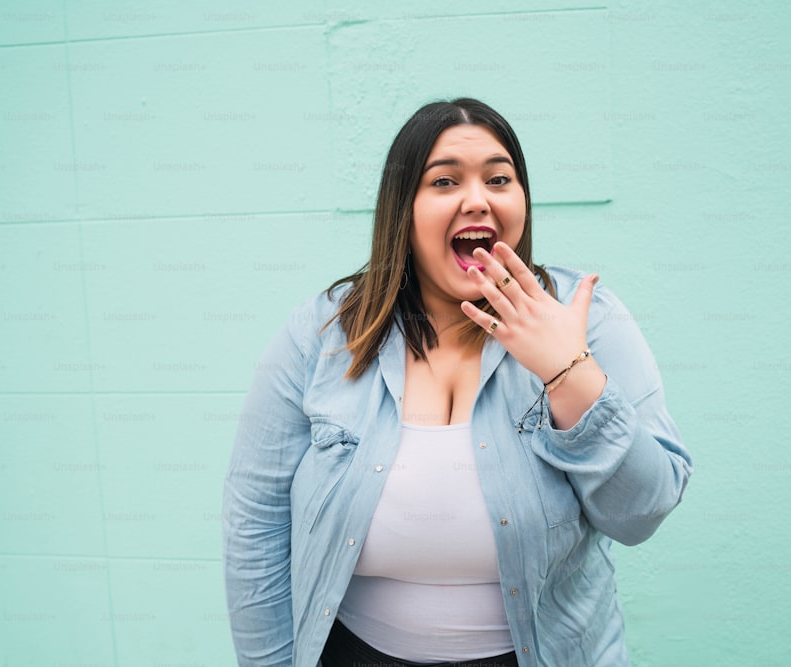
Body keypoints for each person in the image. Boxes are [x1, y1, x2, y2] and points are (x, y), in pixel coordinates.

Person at [223, 98, 692, 667]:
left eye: (500, 178)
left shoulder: (586, 319)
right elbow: (256, 521)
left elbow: (640, 514)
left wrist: (569, 373)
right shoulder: (321, 331)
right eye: (444, 181)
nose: (478, 199)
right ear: (404, 209)